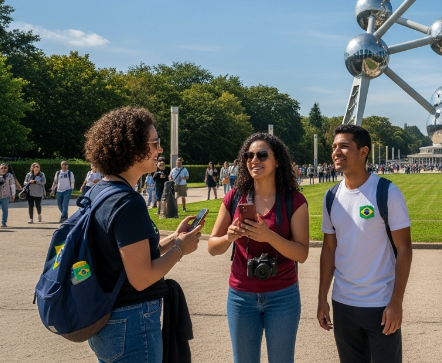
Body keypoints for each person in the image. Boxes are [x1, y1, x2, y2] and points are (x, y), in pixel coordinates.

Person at [82, 106, 203, 362]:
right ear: (133, 148)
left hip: (108, 318)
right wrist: (181, 249)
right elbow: (141, 277)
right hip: (132, 320)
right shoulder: (128, 202)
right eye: (155, 143)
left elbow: (126, 257)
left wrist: (172, 239)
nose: (160, 150)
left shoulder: (100, 191)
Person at [208, 133, 310, 363]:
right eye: (249, 155)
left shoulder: (294, 201)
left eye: (262, 155)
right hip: (241, 296)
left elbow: (301, 253)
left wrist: (269, 236)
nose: (255, 159)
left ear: (278, 161)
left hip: (282, 295)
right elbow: (213, 247)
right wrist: (229, 237)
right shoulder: (235, 198)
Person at [317, 125, 412, 363]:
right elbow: (328, 250)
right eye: (334, 147)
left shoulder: (387, 192)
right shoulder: (331, 197)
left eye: (345, 146)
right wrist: (322, 299)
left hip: (380, 304)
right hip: (343, 304)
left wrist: (396, 302)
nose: (337, 152)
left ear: (363, 152)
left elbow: (404, 249)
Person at [0, 163, 22, 227]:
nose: (3, 169)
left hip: (6, 195)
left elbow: (12, 185)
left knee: (5, 210)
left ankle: (3, 223)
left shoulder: (10, 175)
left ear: (7, 169)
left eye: (5, 168)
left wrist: (13, 194)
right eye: (2, 168)